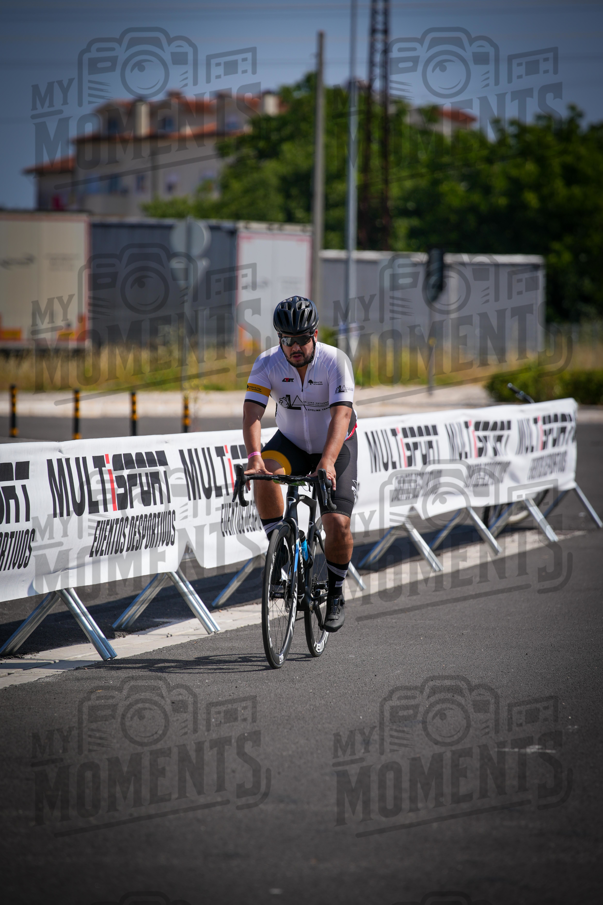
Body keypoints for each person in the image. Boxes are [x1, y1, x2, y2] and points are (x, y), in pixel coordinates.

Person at [243, 296, 358, 632]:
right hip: (291, 443)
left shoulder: (335, 361)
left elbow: (342, 415)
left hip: (335, 446)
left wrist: (328, 461)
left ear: (315, 335)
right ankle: (280, 550)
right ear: (279, 338)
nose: (294, 347)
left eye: (302, 339)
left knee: (337, 523)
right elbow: (252, 413)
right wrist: (253, 457)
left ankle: (335, 592)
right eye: (287, 340)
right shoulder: (267, 363)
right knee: (264, 474)